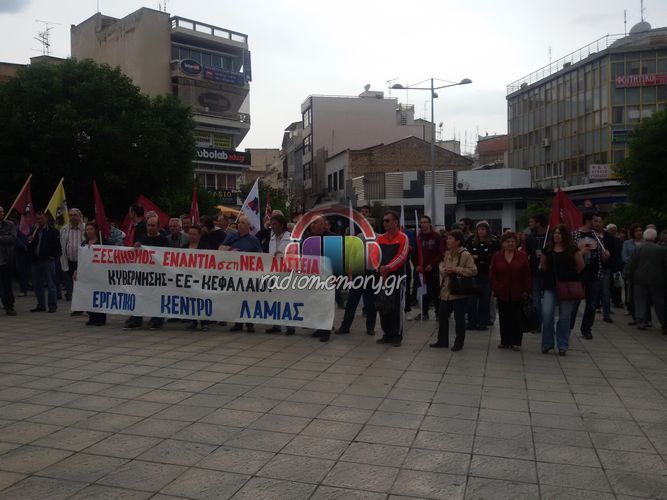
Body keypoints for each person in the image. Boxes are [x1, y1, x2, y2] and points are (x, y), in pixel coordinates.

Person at [539, 224, 585, 355]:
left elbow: (580, 266)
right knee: (547, 314)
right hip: (550, 285)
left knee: (565, 316)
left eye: (559, 233)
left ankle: (562, 344)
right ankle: (547, 343)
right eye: (555, 233)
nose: (556, 235)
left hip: (567, 286)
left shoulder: (572, 249)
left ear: (565, 235)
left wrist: (570, 275)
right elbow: (544, 266)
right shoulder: (547, 249)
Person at [430, 229, 477, 351]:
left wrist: (456, 269)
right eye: (448, 238)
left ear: (458, 241)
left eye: (451, 238)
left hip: (458, 292)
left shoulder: (465, 254)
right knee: (442, 316)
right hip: (446, 291)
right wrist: (444, 270)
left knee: (459, 319)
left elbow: (473, 270)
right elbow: (442, 266)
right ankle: (442, 340)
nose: (447, 241)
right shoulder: (447, 253)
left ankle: (459, 343)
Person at [123, 216, 170, 330]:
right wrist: (136, 247)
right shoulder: (142, 238)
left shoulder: (164, 240)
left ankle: (157, 320)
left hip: (158, 275)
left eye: (153, 225)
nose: (150, 228)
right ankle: (136, 319)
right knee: (139, 296)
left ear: (158, 227)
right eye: (148, 225)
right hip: (143, 274)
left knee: (156, 297)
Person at [490, 231, 531, 351]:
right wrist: (496, 288)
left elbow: (527, 275)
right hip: (502, 292)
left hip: (518, 292)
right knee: (504, 317)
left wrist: (527, 290)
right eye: (508, 241)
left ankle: (516, 342)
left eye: (513, 241)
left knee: (516, 318)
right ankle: (505, 341)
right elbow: (492, 274)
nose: (511, 244)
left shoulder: (522, 256)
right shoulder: (497, 256)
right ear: (503, 243)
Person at [571, 213, 610, 339]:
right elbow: (570, 255)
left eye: (599, 221)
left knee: (592, 304)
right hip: (579, 273)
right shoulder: (575, 235)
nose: (598, 223)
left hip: (594, 273)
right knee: (574, 302)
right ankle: (568, 326)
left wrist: (605, 256)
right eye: (595, 221)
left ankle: (586, 328)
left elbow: (602, 259)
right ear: (588, 221)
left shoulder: (597, 236)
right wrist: (580, 253)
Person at [375, 210, 410, 347]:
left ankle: (397, 335)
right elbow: (374, 255)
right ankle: (387, 334)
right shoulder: (380, 239)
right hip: (382, 277)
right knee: (383, 305)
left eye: (387, 220)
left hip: (397, 277)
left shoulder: (403, 238)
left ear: (396, 222)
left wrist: (387, 268)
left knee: (397, 306)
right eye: (383, 220)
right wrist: (379, 268)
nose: (384, 223)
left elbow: (402, 256)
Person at [222, 215, 261, 333]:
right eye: (239, 222)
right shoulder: (231, 236)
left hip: (248, 275)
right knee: (236, 298)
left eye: (243, 223)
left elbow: (260, 257)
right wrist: (230, 250)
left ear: (248, 226)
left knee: (248, 299)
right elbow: (220, 249)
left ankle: (249, 323)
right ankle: (237, 323)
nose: (240, 225)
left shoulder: (254, 240)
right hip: (234, 273)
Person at [625, 228, 666, 334]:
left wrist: (628, 274)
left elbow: (631, 263)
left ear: (644, 236)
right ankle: (664, 322)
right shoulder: (661, 249)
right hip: (657, 279)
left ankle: (641, 322)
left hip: (639, 279)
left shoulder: (638, 248)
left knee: (640, 301)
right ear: (655, 237)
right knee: (659, 302)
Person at [264, 213, 296, 336]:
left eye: (275, 224)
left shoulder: (290, 237)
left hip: (287, 272)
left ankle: (290, 326)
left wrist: (282, 254)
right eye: (271, 224)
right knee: (275, 299)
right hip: (275, 272)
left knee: (288, 300)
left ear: (281, 225)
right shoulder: (272, 238)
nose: (272, 226)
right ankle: (276, 325)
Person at [465, 221, 499, 331]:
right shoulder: (471, 241)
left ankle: (483, 322)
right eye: (479, 229)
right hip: (473, 273)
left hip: (486, 274)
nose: (481, 231)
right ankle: (472, 322)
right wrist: (479, 257)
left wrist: (479, 257)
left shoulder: (493, 242)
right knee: (471, 299)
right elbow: (468, 255)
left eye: (483, 229)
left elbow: (493, 257)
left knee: (485, 299)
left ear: (487, 230)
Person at [28, 211, 61, 313]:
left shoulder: (52, 231)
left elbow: (57, 247)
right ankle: (41, 305)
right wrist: (29, 240)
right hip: (36, 261)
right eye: (38, 219)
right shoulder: (34, 230)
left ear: (46, 218)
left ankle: (52, 305)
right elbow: (29, 246)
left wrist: (52, 256)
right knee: (37, 284)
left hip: (48, 260)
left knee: (51, 284)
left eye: (42, 218)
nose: (40, 220)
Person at [413, 215, 443, 321]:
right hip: (421, 270)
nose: (423, 224)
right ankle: (424, 313)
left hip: (433, 269)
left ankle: (438, 313)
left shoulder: (436, 236)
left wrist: (432, 264)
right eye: (421, 222)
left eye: (425, 222)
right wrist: (416, 265)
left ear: (430, 224)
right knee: (423, 292)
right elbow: (414, 253)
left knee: (436, 292)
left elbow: (440, 253)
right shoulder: (418, 237)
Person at [78, 221, 107, 326]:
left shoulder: (102, 242)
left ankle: (101, 318)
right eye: (87, 229)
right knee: (89, 295)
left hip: (99, 273)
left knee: (99, 296)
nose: (89, 231)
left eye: (91, 229)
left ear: (95, 230)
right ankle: (92, 317)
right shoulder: (84, 243)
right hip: (87, 274)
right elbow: (81, 259)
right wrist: (77, 271)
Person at [526, 214, 548, 331]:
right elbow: (528, 253)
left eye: (532, 222)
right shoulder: (531, 237)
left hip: (547, 273)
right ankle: (538, 323)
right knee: (536, 299)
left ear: (538, 223)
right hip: (535, 271)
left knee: (548, 300)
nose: (530, 224)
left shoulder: (549, 236)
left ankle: (547, 322)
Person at [59, 208, 85, 307]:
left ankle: (81, 297)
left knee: (81, 280)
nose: (73, 217)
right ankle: (70, 295)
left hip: (82, 261)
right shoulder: (64, 229)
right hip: (69, 259)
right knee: (69, 279)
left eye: (75, 215)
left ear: (80, 216)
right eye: (70, 215)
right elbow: (62, 244)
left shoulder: (85, 228)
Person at [622, 223, 644, 324]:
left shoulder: (645, 243)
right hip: (631, 272)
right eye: (636, 231)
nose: (638, 232)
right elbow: (624, 257)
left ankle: (644, 318)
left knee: (643, 296)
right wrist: (635, 262)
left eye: (640, 230)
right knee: (631, 295)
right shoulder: (627, 243)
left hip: (643, 272)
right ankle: (635, 317)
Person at [0, 206, 18, 316]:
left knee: (7, 285)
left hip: (6, 260)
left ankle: (9, 306)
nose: (1, 214)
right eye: (0, 212)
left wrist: (0, 238)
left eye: (2, 212)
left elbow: (13, 238)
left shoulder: (9, 225)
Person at [605, 224, 624, 309]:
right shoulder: (606, 240)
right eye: (611, 230)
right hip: (608, 264)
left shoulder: (618, 240)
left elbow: (620, 253)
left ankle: (617, 300)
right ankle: (610, 300)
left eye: (614, 230)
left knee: (617, 284)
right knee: (608, 285)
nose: (613, 232)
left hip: (616, 265)